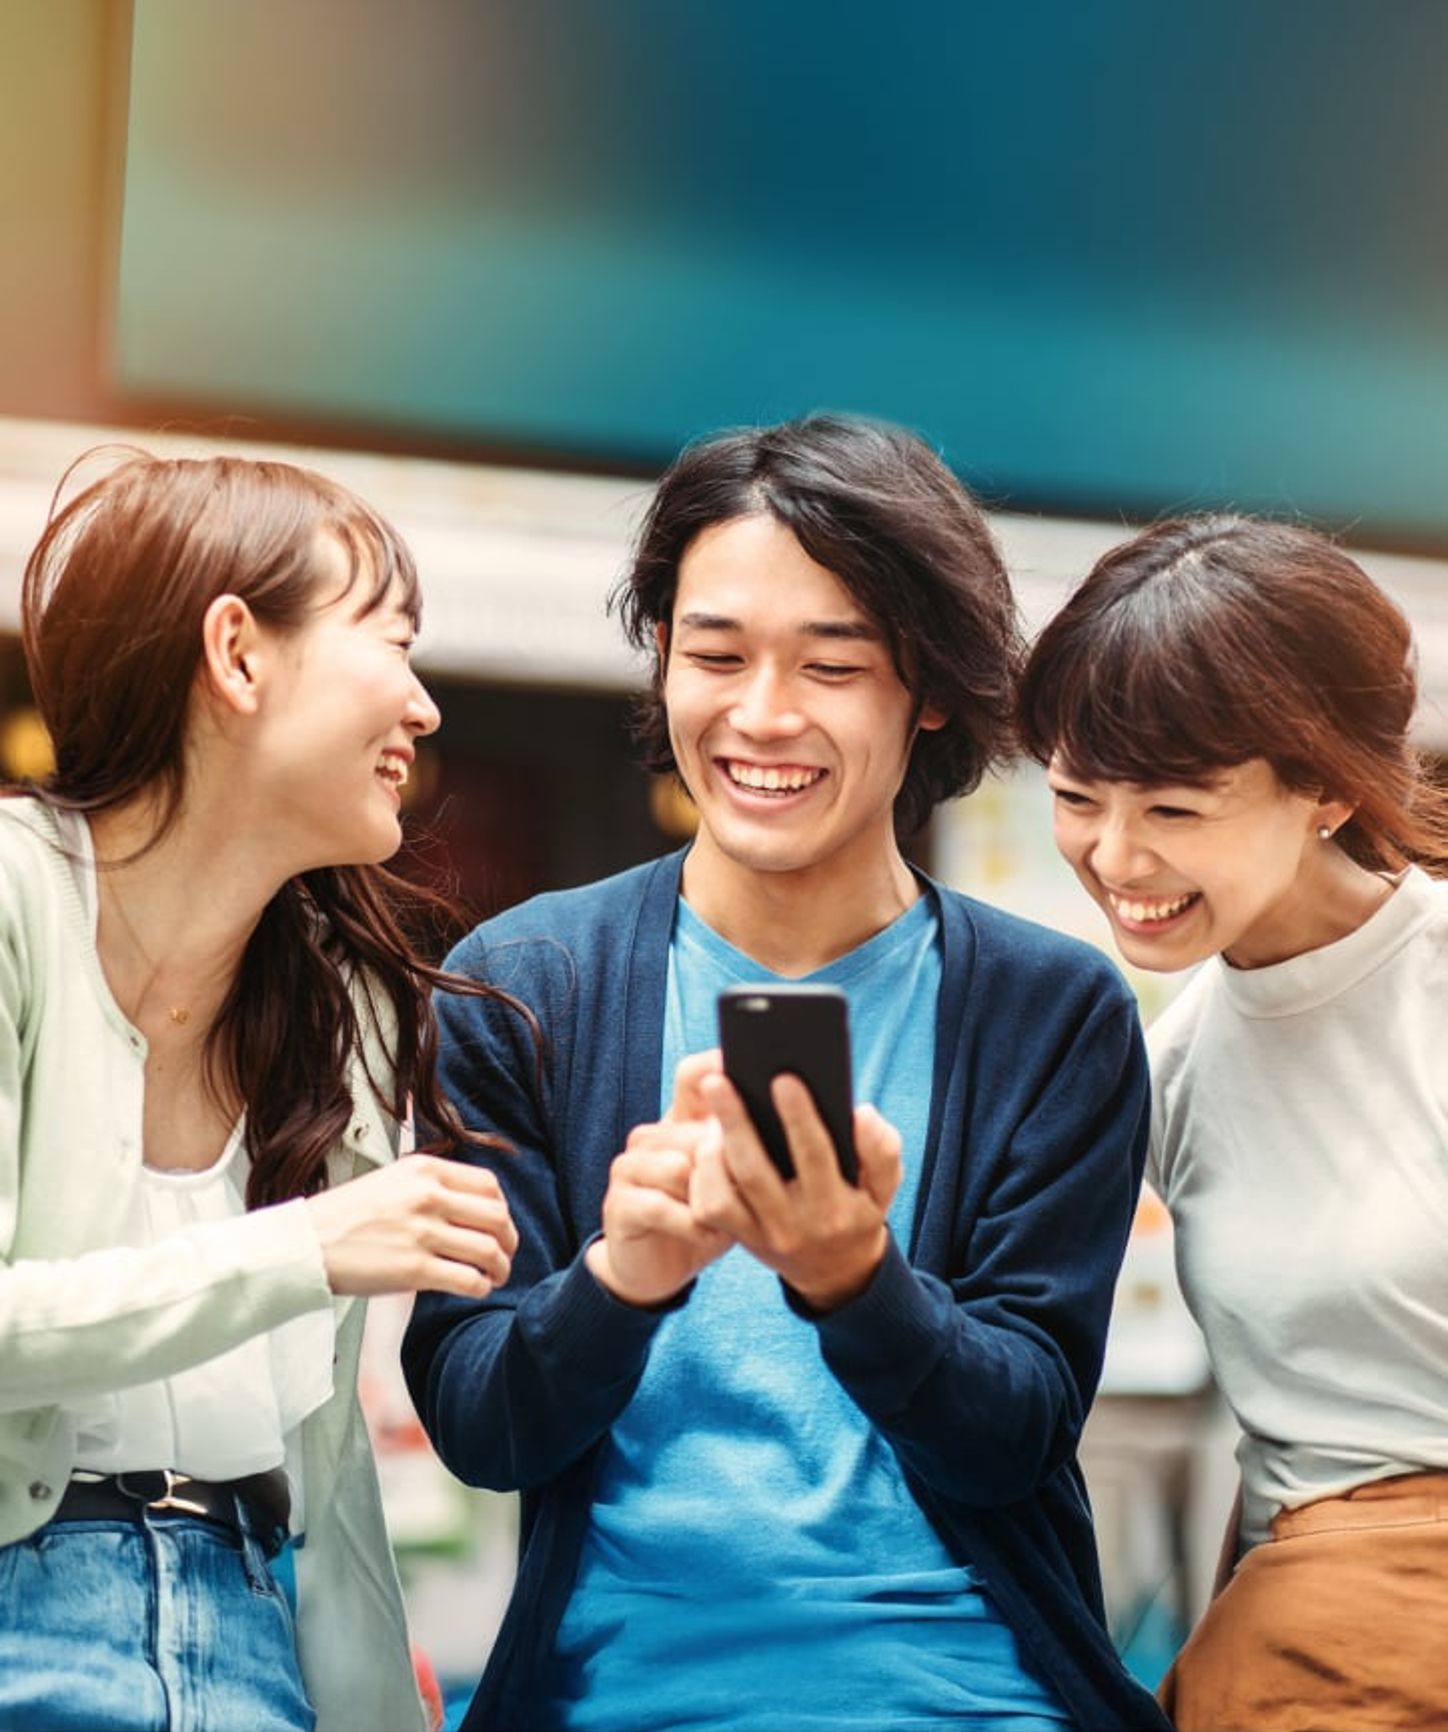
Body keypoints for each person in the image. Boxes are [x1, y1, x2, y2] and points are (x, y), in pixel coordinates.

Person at [402, 414, 1169, 1731]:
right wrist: (622, 1277)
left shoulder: (1051, 1012)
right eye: (714, 654)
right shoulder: (526, 984)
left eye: (831, 664)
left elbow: (1016, 1432)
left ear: (927, 687)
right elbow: (481, 1423)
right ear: (662, 664)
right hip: (617, 1699)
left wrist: (849, 1276)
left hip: (969, 1700)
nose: (761, 716)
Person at [0, 450, 521, 1732]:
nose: (423, 706)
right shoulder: (14, 900)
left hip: (249, 1638)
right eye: (389, 641)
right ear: (237, 653)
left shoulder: (340, 1003)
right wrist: (304, 1245)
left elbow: (329, 1479)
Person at [1017, 513, 1448, 1730]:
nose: (1111, 855)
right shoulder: (1170, 1063)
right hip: (1303, 1649)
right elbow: (1279, 1459)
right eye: (1074, 795)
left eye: (1173, 807)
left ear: (1318, 784)